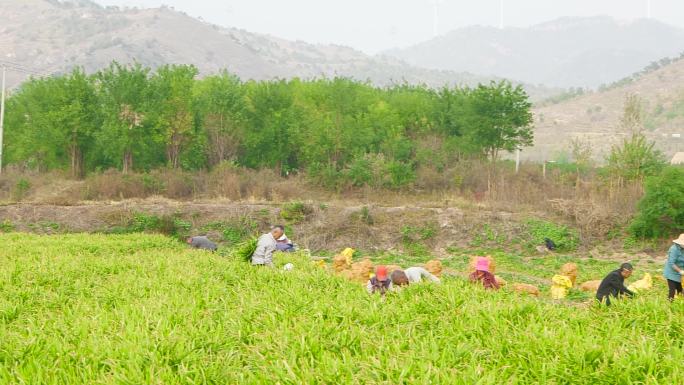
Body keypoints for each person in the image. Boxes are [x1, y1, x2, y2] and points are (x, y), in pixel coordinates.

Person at [663, 234, 684, 301]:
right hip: (671, 272)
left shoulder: (682, 249)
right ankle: (669, 303)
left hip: (679, 271)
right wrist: (680, 271)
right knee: (672, 290)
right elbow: (671, 263)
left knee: (679, 288)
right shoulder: (674, 249)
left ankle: (680, 301)